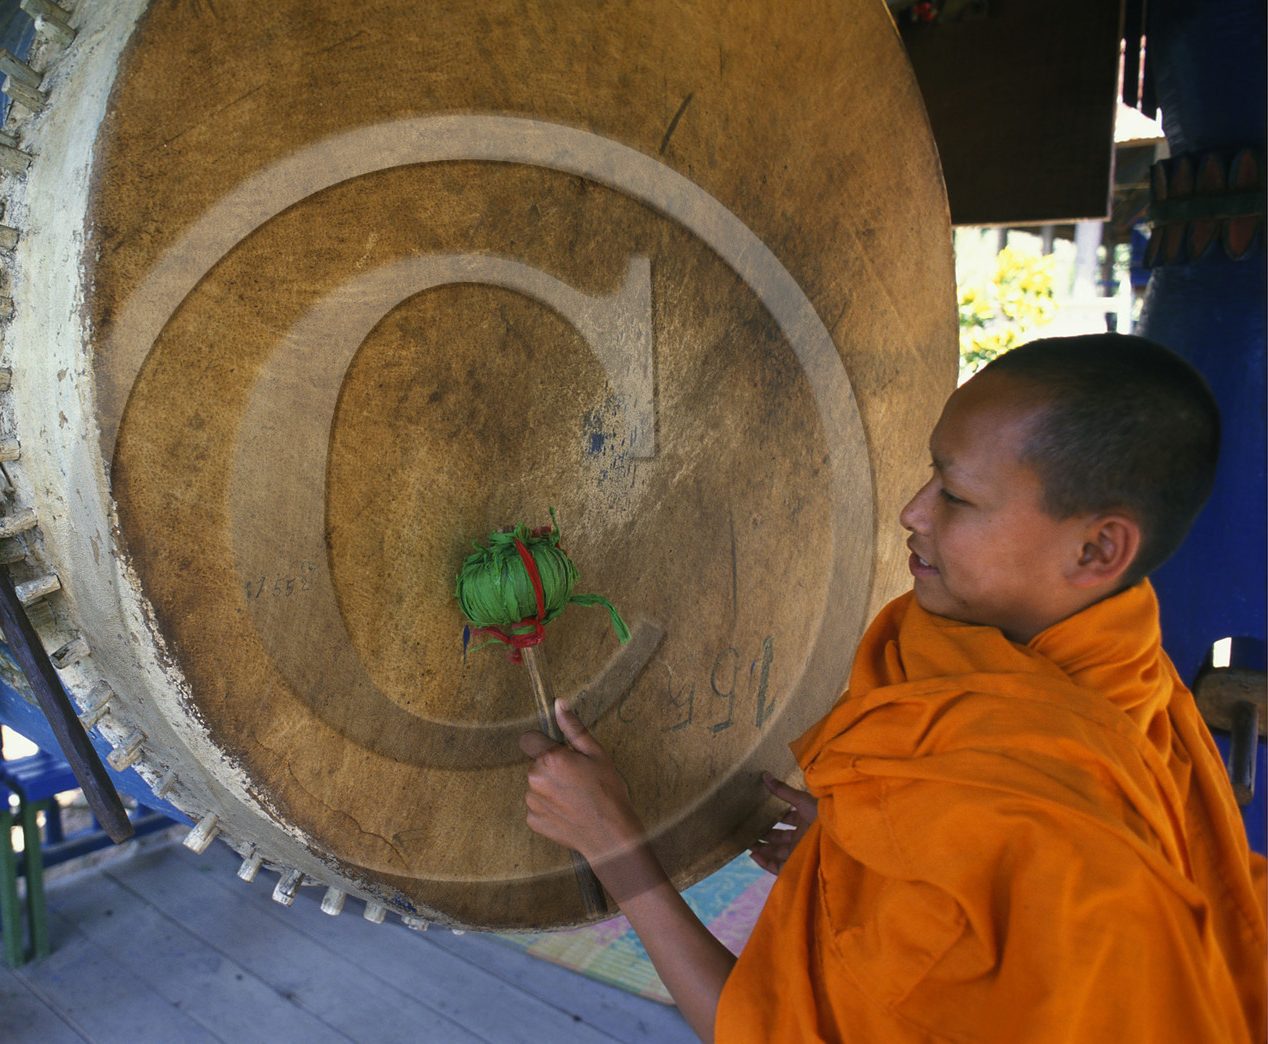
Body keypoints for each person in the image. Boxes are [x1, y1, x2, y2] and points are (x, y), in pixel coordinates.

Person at [522, 333, 1267, 1043]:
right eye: (930, 474)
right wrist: (865, 856)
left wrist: (613, 845)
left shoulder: (1062, 841)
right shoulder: (1117, 673)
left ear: (1098, 548)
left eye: (957, 496)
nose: (913, 512)